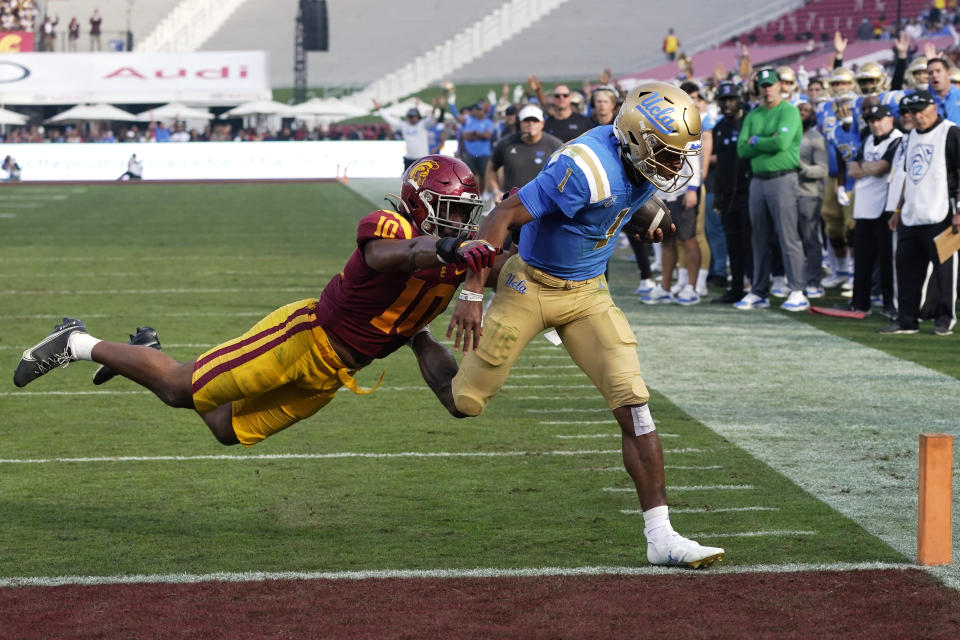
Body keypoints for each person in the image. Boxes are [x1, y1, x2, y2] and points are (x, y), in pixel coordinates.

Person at [13, 155, 499, 447]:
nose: (460, 221)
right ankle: (76, 340)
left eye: (465, 213)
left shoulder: (455, 262)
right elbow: (400, 254)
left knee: (226, 429)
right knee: (180, 389)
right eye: (452, 209)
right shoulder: (396, 229)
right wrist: (452, 249)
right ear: (420, 203)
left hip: (335, 374)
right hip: (304, 339)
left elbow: (421, 328)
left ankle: (146, 351)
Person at [444, 81, 725, 569]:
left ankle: (660, 535)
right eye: (667, 152)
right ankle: (418, 333)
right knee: (464, 401)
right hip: (528, 287)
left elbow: (621, 200)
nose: (675, 165)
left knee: (635, 406)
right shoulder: (585, 169)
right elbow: (505, 212)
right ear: (637, 139)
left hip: (587, 295)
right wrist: (471, 291)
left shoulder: (637, 162)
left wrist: (637, 216)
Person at [880, 91, 960, 335]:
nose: (917, 116)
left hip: (942, 212)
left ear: (933, 107)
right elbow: (908, 176)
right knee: (906, 269)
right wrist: (897, 208)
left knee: (945, 271)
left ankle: (946, 318)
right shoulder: (910, 136)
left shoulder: (950, 131)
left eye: (920, 110)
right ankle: (907, 319)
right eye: (912, 112)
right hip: (911, 214)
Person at [734, 68, 809, 312]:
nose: (767, 89)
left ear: (780, 86)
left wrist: (757, 140)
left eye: (770, 84)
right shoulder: (754, 114)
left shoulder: (789, 111)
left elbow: (783, 142)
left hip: (783, 178)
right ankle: (759, 291)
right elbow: (742, 149)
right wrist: (763, 142)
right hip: (758, 179)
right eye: (763, 85)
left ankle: (798, 289)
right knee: (759, 238)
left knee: (788, 237)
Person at [847, 103, 901, 316]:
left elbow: (882, 168)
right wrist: (868, 168)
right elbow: (852, 169)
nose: (876, 124)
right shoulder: (868, 139)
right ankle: (859, 303)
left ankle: (890, 304)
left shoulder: (897, 139)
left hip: (885, 208)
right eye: (872, 121)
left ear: (890, 119)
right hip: (864, 206)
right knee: (862, 260)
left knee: (888, 261)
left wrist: (865, 168)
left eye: (880, 119)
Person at [711, 81, 753, 304]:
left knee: (751, 242)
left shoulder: (749, 121)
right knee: (733, 243)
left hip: (749, 190)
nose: (727, 103)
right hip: (728, 194)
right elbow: (719, 166)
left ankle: (755, 287)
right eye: (724, 99)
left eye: (732, 99)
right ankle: (737, 288)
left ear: (740, 99)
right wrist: (717, 194)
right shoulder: (719, 128)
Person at [485, 104, 562, 204]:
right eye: (526, 120)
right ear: (519, 123)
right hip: (511, 204)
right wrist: (496, 191)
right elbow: (491, 169)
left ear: (542, 123)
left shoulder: (555, 145)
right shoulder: (506, 144)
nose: (531, 124)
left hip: (544, 205)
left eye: (535, 120)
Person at [796, 99, 828, 299]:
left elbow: (822, 169)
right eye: (799, 110)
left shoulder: (816, 137)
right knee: (792, 240)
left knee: (810, 238)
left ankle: (814, 280)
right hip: (789, 193)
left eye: (806, 110)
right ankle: (796, 279)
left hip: (809, 194)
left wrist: (799, 166)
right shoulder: (787, 134)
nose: (802, 114)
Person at [374, 99, 439, 172]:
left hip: (422, 158)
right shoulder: (404, 125)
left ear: (417, 116)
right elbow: (390, 120)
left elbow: (431, 118)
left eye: (413, 116)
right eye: (410, 116)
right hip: (409, 158)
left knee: (424, 180)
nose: (411, 118)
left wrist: (434, 107)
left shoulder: (423, 124)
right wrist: (380, 110)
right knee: (407, 180)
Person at [459, 102, 495, 194]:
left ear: (484, 111)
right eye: (476, 110)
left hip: (484, 153)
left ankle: (482, 194)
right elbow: (466, 136)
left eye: (480, 110)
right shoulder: (470, 121)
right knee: (469, 175)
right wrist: (480, 134)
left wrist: (475, 133)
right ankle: (472, 193)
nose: (478, 112)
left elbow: (487, 136)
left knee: (483, 175)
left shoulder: (488, 122)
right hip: (470, 153)